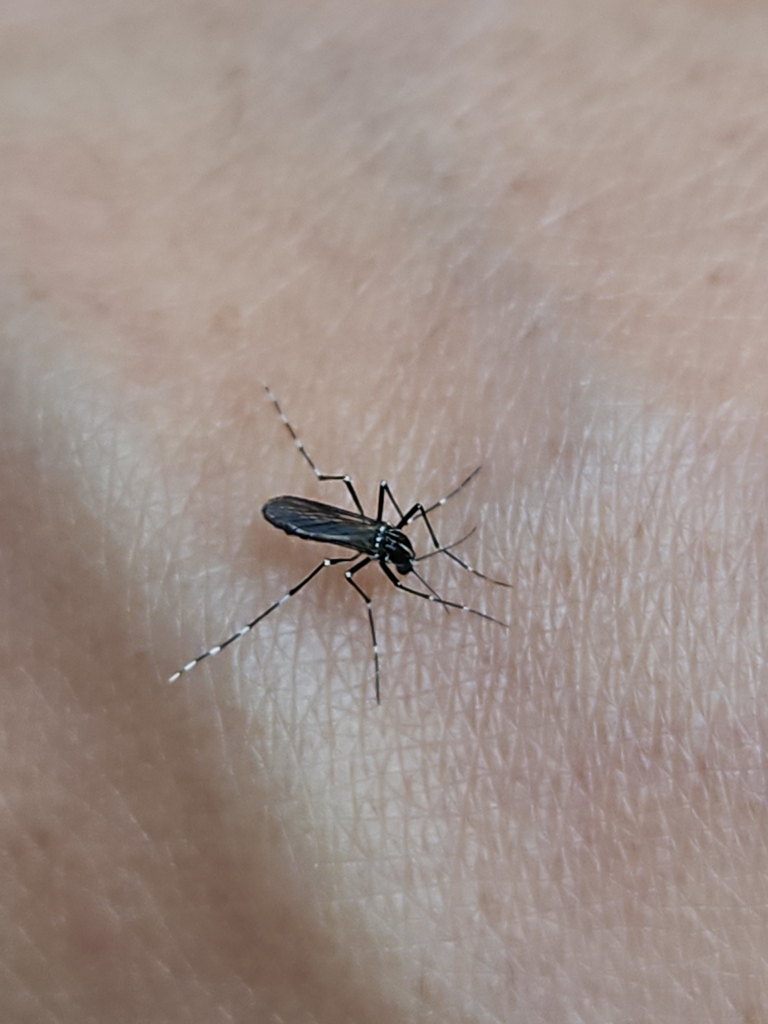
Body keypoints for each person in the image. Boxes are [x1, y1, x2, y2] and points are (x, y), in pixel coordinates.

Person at [1, 2, 765, 1019]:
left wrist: (445, 565)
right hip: (306, 526)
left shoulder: (394, 535)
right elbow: (355, 547)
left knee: (352, 522)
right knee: (321, 570)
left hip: (329, 518)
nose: (404, 559)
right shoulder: (362, 551)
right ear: (392, 545)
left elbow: (404, 534)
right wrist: (383, 596)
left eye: (408, 554)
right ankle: (246, 628)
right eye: (405, 555)